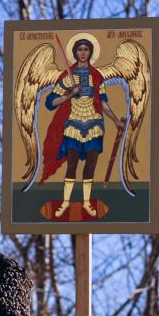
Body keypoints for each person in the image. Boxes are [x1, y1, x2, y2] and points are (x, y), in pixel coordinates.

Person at [41, 36, 126, 217]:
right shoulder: (67, 77)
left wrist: (115, 121)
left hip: (94, 123)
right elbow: (50, 103)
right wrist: (70, 95)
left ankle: (87, 203)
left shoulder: (96, 77)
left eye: (86, 50)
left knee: (90, 166)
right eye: (79, 49)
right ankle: (65, 203)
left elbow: (103, 103)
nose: (82, 53)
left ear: (90, 53)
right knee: (71, 165)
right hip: (74, 123)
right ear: (75, 53)